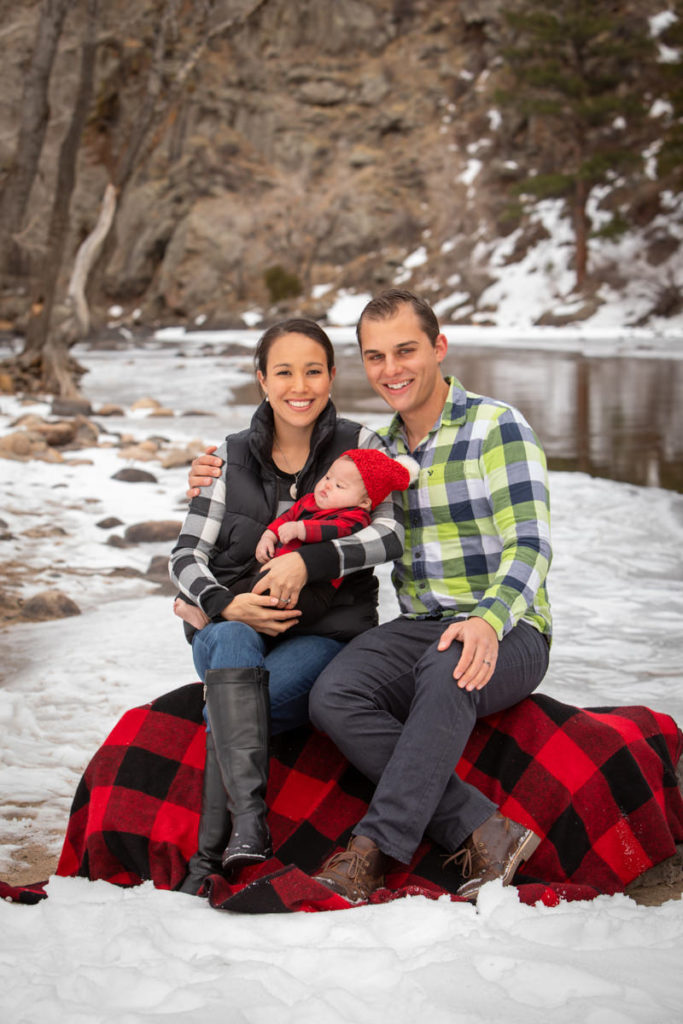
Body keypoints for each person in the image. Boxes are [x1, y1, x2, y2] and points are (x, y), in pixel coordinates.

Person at [188, 290, 552, 904]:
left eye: (406, 350)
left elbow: (532, 547)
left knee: (447, 668)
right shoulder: (376, 452)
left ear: (439, 348)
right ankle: (482, 826)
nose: (392, 370)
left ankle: (370, 851)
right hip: (419, 623)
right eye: (376, 356)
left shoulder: (497, 426)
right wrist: (207, 476)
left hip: (509, 625)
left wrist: (488, 620)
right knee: (333, 694)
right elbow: (310, 504)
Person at [170, 318, 405, 895]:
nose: (299, 385)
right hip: (233, 629)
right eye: (283, 371)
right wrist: (225, 605)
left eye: (313, 370)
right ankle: (248, 829)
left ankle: (210, 855)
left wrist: (310, 563)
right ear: (261, 380)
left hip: (322, 635)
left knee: (239, 704)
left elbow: (391, 536)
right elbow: (183, 557)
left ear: (331, 377)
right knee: (228, 641)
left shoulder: (363, 447)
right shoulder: (226, 459)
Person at [175, 448, 414, 635]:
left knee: (276, 610)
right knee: (239, 590)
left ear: (364, 501)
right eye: (328, 477)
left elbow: (334, 530)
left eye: (340, 486)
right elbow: (286, 517)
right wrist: (270, 534)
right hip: (274, 574)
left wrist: (302, 529)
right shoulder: (310, 501)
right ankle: (195, 604)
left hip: (315, 589)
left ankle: (216, 618)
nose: (327, 485)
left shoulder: (355, 517)